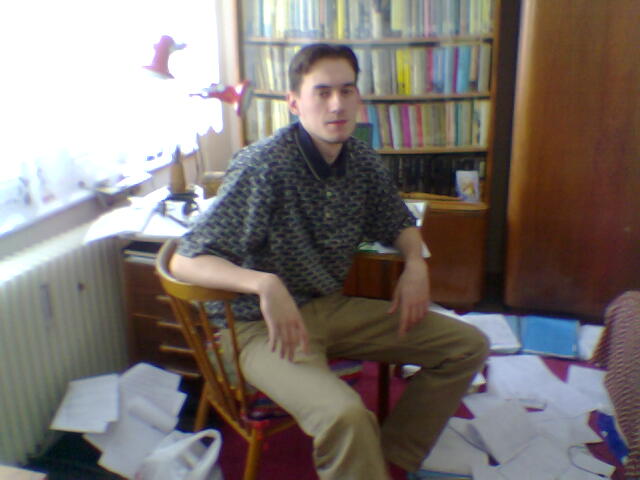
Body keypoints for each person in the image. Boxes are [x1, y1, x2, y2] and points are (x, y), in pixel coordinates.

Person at [170, 43, 489, 480]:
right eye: (322, 92)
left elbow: (397, 220)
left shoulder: (360, 160)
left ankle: (389, 456)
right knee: (345, 415)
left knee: (467, 346)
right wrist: (264, 284)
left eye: (346, 90)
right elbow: (187, 259)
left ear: (358, 98)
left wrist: (416, 263)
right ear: (294, 103)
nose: (336, 104)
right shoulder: (264, 166)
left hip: (326, 308)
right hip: (256, 326)